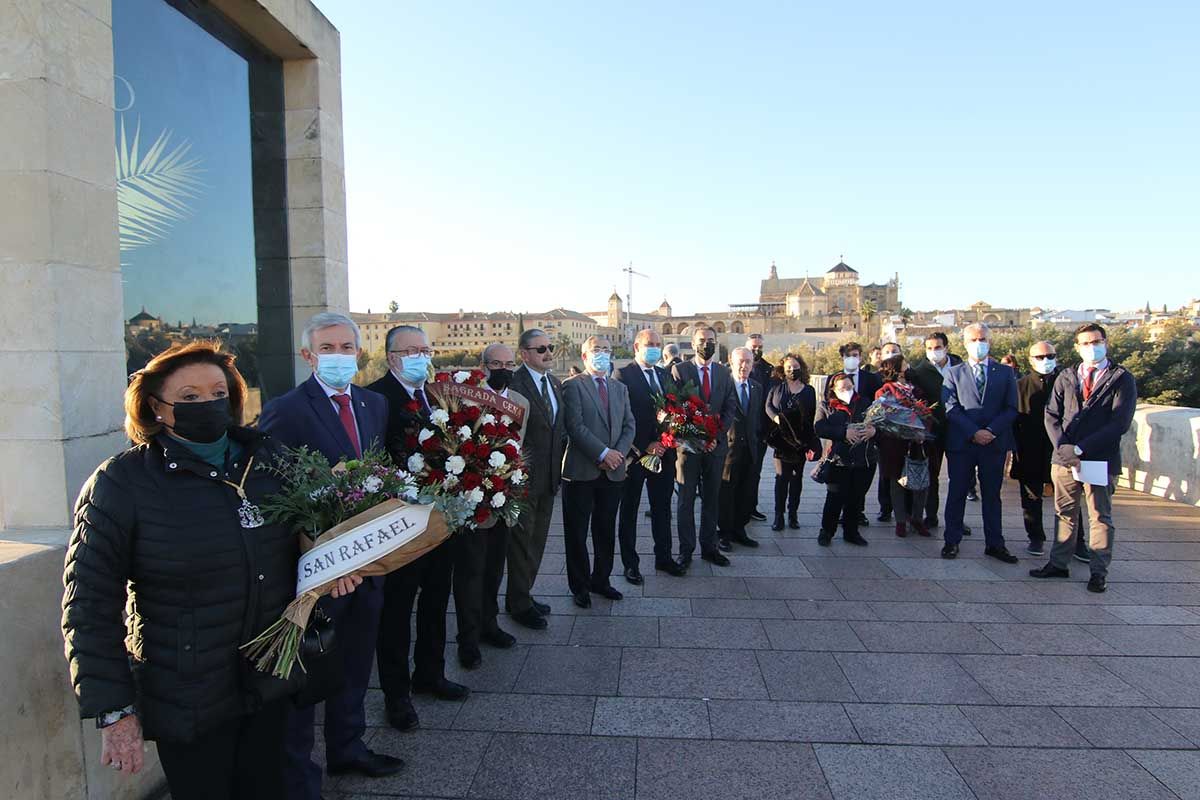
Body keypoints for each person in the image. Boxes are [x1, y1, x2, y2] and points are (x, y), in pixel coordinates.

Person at [62, 342, 363, 800]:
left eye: (218, 392)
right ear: (155, 408)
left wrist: (332, 571)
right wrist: (114, 711)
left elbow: (305, 542)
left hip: (269, 679)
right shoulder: (121, 483)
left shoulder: (271, 461)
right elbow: (88, 604)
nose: (208, 404)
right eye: (188, 397)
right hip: (187, 693)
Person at [257, 313, 400, 798]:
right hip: (318, 569)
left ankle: (349, 747)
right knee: (307, 675)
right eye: (327, 347)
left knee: (357, 660)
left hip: (367, 565)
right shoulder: (286, 410)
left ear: (359, 353)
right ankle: (300, 777)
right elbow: (274, 487)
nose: (339, 355)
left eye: (346, 346)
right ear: (308, 355)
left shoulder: (374, 403)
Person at [364, 325, 469, 735]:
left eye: (425, 350)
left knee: (436, 597)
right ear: (392, 357)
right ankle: (396, 694)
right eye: (412, 351)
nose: (421, 357)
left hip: (441, 520)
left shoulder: (438, 395)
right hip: (399, 523)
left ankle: (430, 672)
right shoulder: (375, 398)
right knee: (396, 608)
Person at [1030, 323, 1138, 593]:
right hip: (1064, 459)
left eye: (1096, 341)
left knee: (1099, 516)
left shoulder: (1121, 378)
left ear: (1105, 342)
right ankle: (1058, 563)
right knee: (1064, 513)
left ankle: (1098, 571)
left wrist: (1080, 450)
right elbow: (1051, 415)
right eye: (1085, 343)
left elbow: (1119, 423)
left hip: (1098, 459)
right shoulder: (1067, 375)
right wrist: (1064, 449)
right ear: (1077, 347)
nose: (1092, 347)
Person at [449, 343, 530, 668]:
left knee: (496, 567)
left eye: (509, 364)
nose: (503, 369)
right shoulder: (465, 397)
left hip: (504, 499)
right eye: (496, 364)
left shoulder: (521, 402)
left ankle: (489, 625)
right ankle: (467, 639)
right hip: (471, 499)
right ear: (484, 366)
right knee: (470, 572)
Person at [561, 336, 637, 607]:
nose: (602, 354)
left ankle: (601, 580)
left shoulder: (619, 388)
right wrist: (603, 453)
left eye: (606, 350)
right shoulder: (572, 386)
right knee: (577, 532)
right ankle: (579, 586)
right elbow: (575, 425)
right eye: (597, 350)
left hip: (613, 472)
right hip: (581, 472)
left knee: (605, 529)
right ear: (584, 356)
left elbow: (630, 424)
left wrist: (617, 455)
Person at [940, 322, 1019, 563]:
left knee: (992, 495)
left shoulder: (1005, 373)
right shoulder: (953, 373)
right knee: (956, 492)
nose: (979, 344)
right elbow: (951, 408)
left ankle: (995, 543)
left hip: (993, 444)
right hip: (962, 443)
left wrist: (991, 431)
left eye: (982, 339)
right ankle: (951, 540)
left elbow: (1011, 408)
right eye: (973, 340)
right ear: (964, 344)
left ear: (990, 341)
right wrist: (974, 432)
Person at [614, 329, 685, 578]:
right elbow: (622, 416)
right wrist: (645, 445)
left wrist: (668, 439)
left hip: (664, 454)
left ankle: (663, 557)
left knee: (662, 507)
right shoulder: (623, 375)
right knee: (630, 510)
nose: (654, 348)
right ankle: (630, 564)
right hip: (636, 456)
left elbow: (674, 410)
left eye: (658, 344)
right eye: (649, 344)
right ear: (636, 347)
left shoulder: (665, 375)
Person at [508, 329, 566, 629]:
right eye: (541, 348)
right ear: (524, 354)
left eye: (550, 347)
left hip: (549, 479)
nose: (548, 353)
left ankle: (524, 594)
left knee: (537, 542)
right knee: (520, 544)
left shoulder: (554, 384)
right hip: (523, 481)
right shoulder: (514, 384)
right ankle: (518, 604)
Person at [672, 326, 738, 567]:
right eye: (702, 340)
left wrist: (715, 436)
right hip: (688, 450)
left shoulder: (723, 372)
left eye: (711, 340)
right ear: (692, 343)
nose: (706, 344)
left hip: (716, 448)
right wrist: (698, 438)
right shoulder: (680, 370)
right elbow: (676, 408)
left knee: (712, 499)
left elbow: (730, 405)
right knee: (686, 500)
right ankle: (686, 551)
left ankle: (709, 548)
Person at [907, 332, 962, 529]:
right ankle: (931, 516)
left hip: (959, 429)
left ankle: (957, 519)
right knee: (932, 475)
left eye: (937, 348)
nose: (933, 352)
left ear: (946, 347)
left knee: (959, 476)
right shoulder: (919, 371)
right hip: (933, 430)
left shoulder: (961, 367)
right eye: (929, 348)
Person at [814, 372, 876, 546]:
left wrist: (874, 432)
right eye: (842, 388)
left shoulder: (865, 403)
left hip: (864, 459)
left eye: (849, 387)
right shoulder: (827, 405)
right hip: (838, 460)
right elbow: (819, 428)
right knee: (834, 498)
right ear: (834, 389)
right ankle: (827, 531)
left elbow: (880, 425)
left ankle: (851, 531)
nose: (847, 391)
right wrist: (843, 433)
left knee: (856, 499)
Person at [874, 354, 932, 539]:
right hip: (893, 444)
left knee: (920, 481)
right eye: (903, 362)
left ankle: (917, 518)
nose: (907, 365)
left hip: (916, 443)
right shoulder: (884, 392)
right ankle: (900, 520)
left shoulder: (916, 389)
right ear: (896, 367)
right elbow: (881, 417)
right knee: (896, 481)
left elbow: (926, 411)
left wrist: (922, 430)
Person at [1012, 340, 1061, 555]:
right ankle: (1036, 537)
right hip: (1029, 448)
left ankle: (1074, 540)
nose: (1046, 361)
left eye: (1049, 356)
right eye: (1040, 357)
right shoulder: (1021, 385)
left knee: (1067, 498)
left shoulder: (1066, 381)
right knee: (1031, 496)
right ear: (1031, 360)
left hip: (1060, 448)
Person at [764, 352, 819, 531]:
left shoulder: (809, 390)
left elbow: (812, 416)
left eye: (795, 367)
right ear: (783, 369)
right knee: (781, 478)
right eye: (788, 367)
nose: (792, 370)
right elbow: (768, 406)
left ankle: (793, 514)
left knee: (796, 479)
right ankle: (778, 516)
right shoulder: (777, 388)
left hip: (800, 441)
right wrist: (776, 419)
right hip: (781, 440)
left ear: (801, 368)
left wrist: (811, 442)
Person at [717, 347, 766, 551]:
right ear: (731, 361)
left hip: (750, 450)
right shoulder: (723, 386)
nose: (744, 365)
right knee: (726, 493)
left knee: (746, 492)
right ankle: (724, 533)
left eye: (748, 361)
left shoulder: (756, 387)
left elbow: (756, 418)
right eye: (740, 361)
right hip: (728, 450)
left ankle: (740, 529)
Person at [836, 341, 883, 529]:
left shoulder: (870, 379)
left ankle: (858, 513)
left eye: (855, 355)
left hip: (864, 437)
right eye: (848, 355)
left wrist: (873, 429)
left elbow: (877, 405)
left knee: (861, 478)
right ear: (842, 358)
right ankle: (842, 512)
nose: (852, 358)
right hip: (843, 436)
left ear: (861, 357)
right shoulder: (835, 378)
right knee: (842, 480)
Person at [746, 333, 775, 521]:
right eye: (753, 347)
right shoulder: (734, 367)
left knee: (754, 471)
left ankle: (751, 506)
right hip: (739, 431)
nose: (756, 350)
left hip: (760, 430)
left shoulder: (769, 370)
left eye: (759, 347)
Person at [875, 341, 905, 522]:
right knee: (886, 473)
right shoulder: (877, 380)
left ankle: (907, 511)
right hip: (886, 436)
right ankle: (885, 507)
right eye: (887, 352)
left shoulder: (911, 380)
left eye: (895, 351)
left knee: (904, 473)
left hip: (906, 437)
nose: (891, 354)